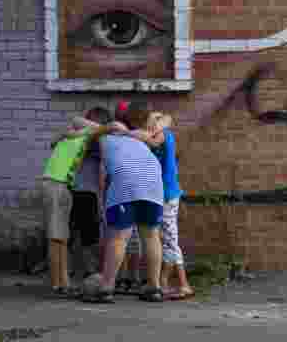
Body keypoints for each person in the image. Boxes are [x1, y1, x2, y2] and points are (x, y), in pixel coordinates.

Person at [81, 103, 165, 303]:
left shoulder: (105, 135)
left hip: (127, 180)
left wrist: (108, 128)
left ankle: (106, 288)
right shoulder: (138, 136)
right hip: (153, 181)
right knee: (151, 235)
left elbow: (77, 123)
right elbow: (163, 119)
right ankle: (154, 288)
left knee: (118, 238)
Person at [120, 111, 193, 299]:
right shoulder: (159, 132)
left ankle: (181, 284)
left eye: (151, 121)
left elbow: (155, 137)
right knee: (165, 237)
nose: (148, 124)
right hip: (163, 193)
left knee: (169, 238)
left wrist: (124, 133)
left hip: (167, 194)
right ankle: (163, 283)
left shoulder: (162, 135)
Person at [39, 109, 102, 297]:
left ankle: (62, 283)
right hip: (56, 184)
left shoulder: (73, 137)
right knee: (57, 237)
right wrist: (91, 130)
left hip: (63, 185)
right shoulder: (81, 134)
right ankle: (60, 285)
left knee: (61, 238)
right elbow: (77, 121)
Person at [66, 106, 113, 280]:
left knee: (78, 234)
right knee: (86, 236)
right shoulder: (94, 141)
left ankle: (74, 270)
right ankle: (87, 270)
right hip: (85, 193)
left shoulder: (92, 142)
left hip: (78, 191)